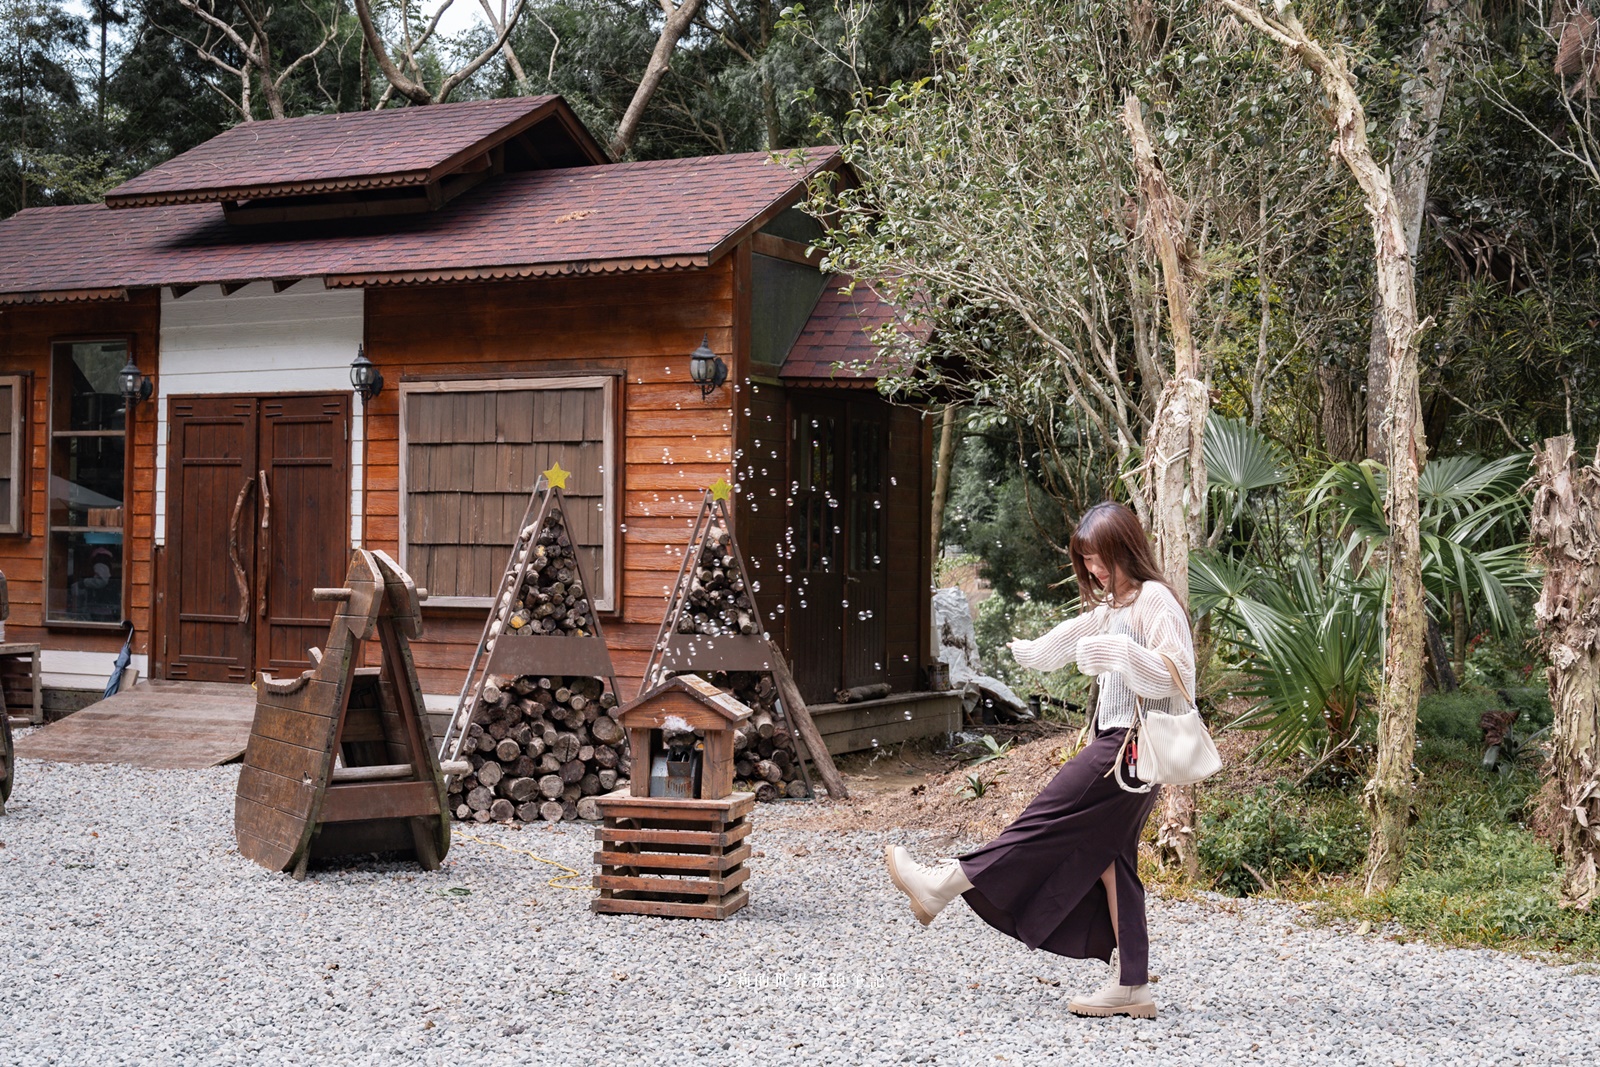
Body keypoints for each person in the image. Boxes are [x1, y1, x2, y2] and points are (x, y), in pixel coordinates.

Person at [885, 500, 1195, 1020]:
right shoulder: (1115, 608)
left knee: (1042, 822)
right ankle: (1132, 985)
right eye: (1087, 560)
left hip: (1131, 746)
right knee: (1113, 861)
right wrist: (1029, 650)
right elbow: (1070, 639)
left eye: (1100, 558)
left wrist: (1120, 656)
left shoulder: (1154, 600)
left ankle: (943, 884)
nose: (1094, 569)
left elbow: (1179, 672)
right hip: (1122, 746)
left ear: (1125, 549)